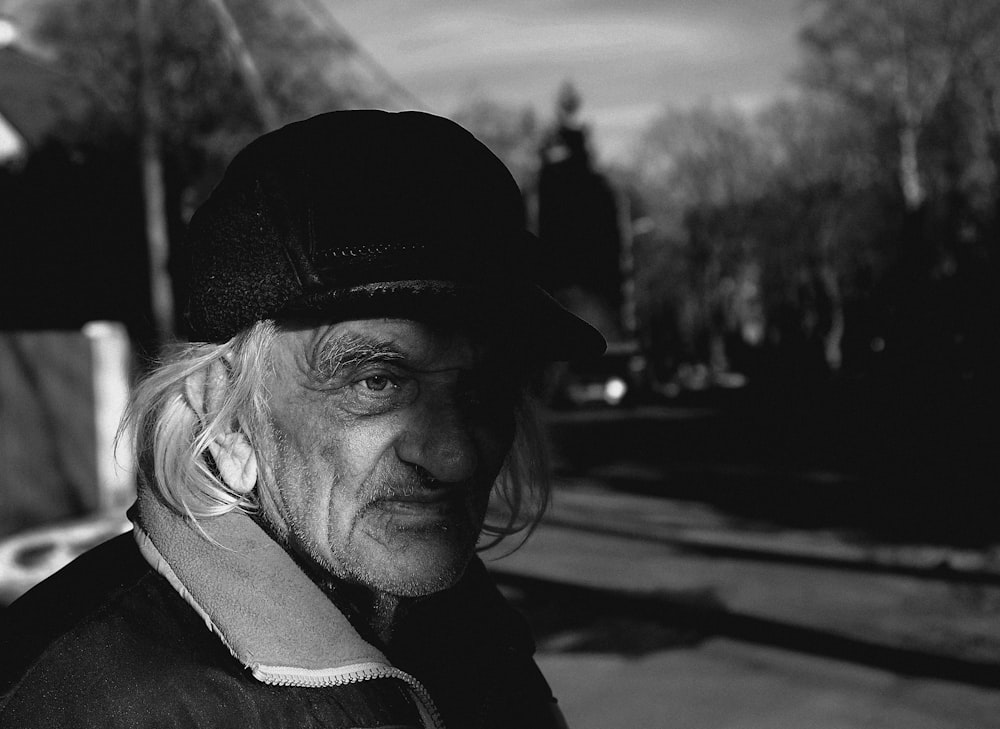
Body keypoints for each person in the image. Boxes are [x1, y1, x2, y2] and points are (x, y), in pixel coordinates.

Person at [0, 110, 605, 729]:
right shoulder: (78, 702)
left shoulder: (461, 622)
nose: (456, 456)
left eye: (485, 387)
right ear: (227, 416)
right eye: (378, 382)